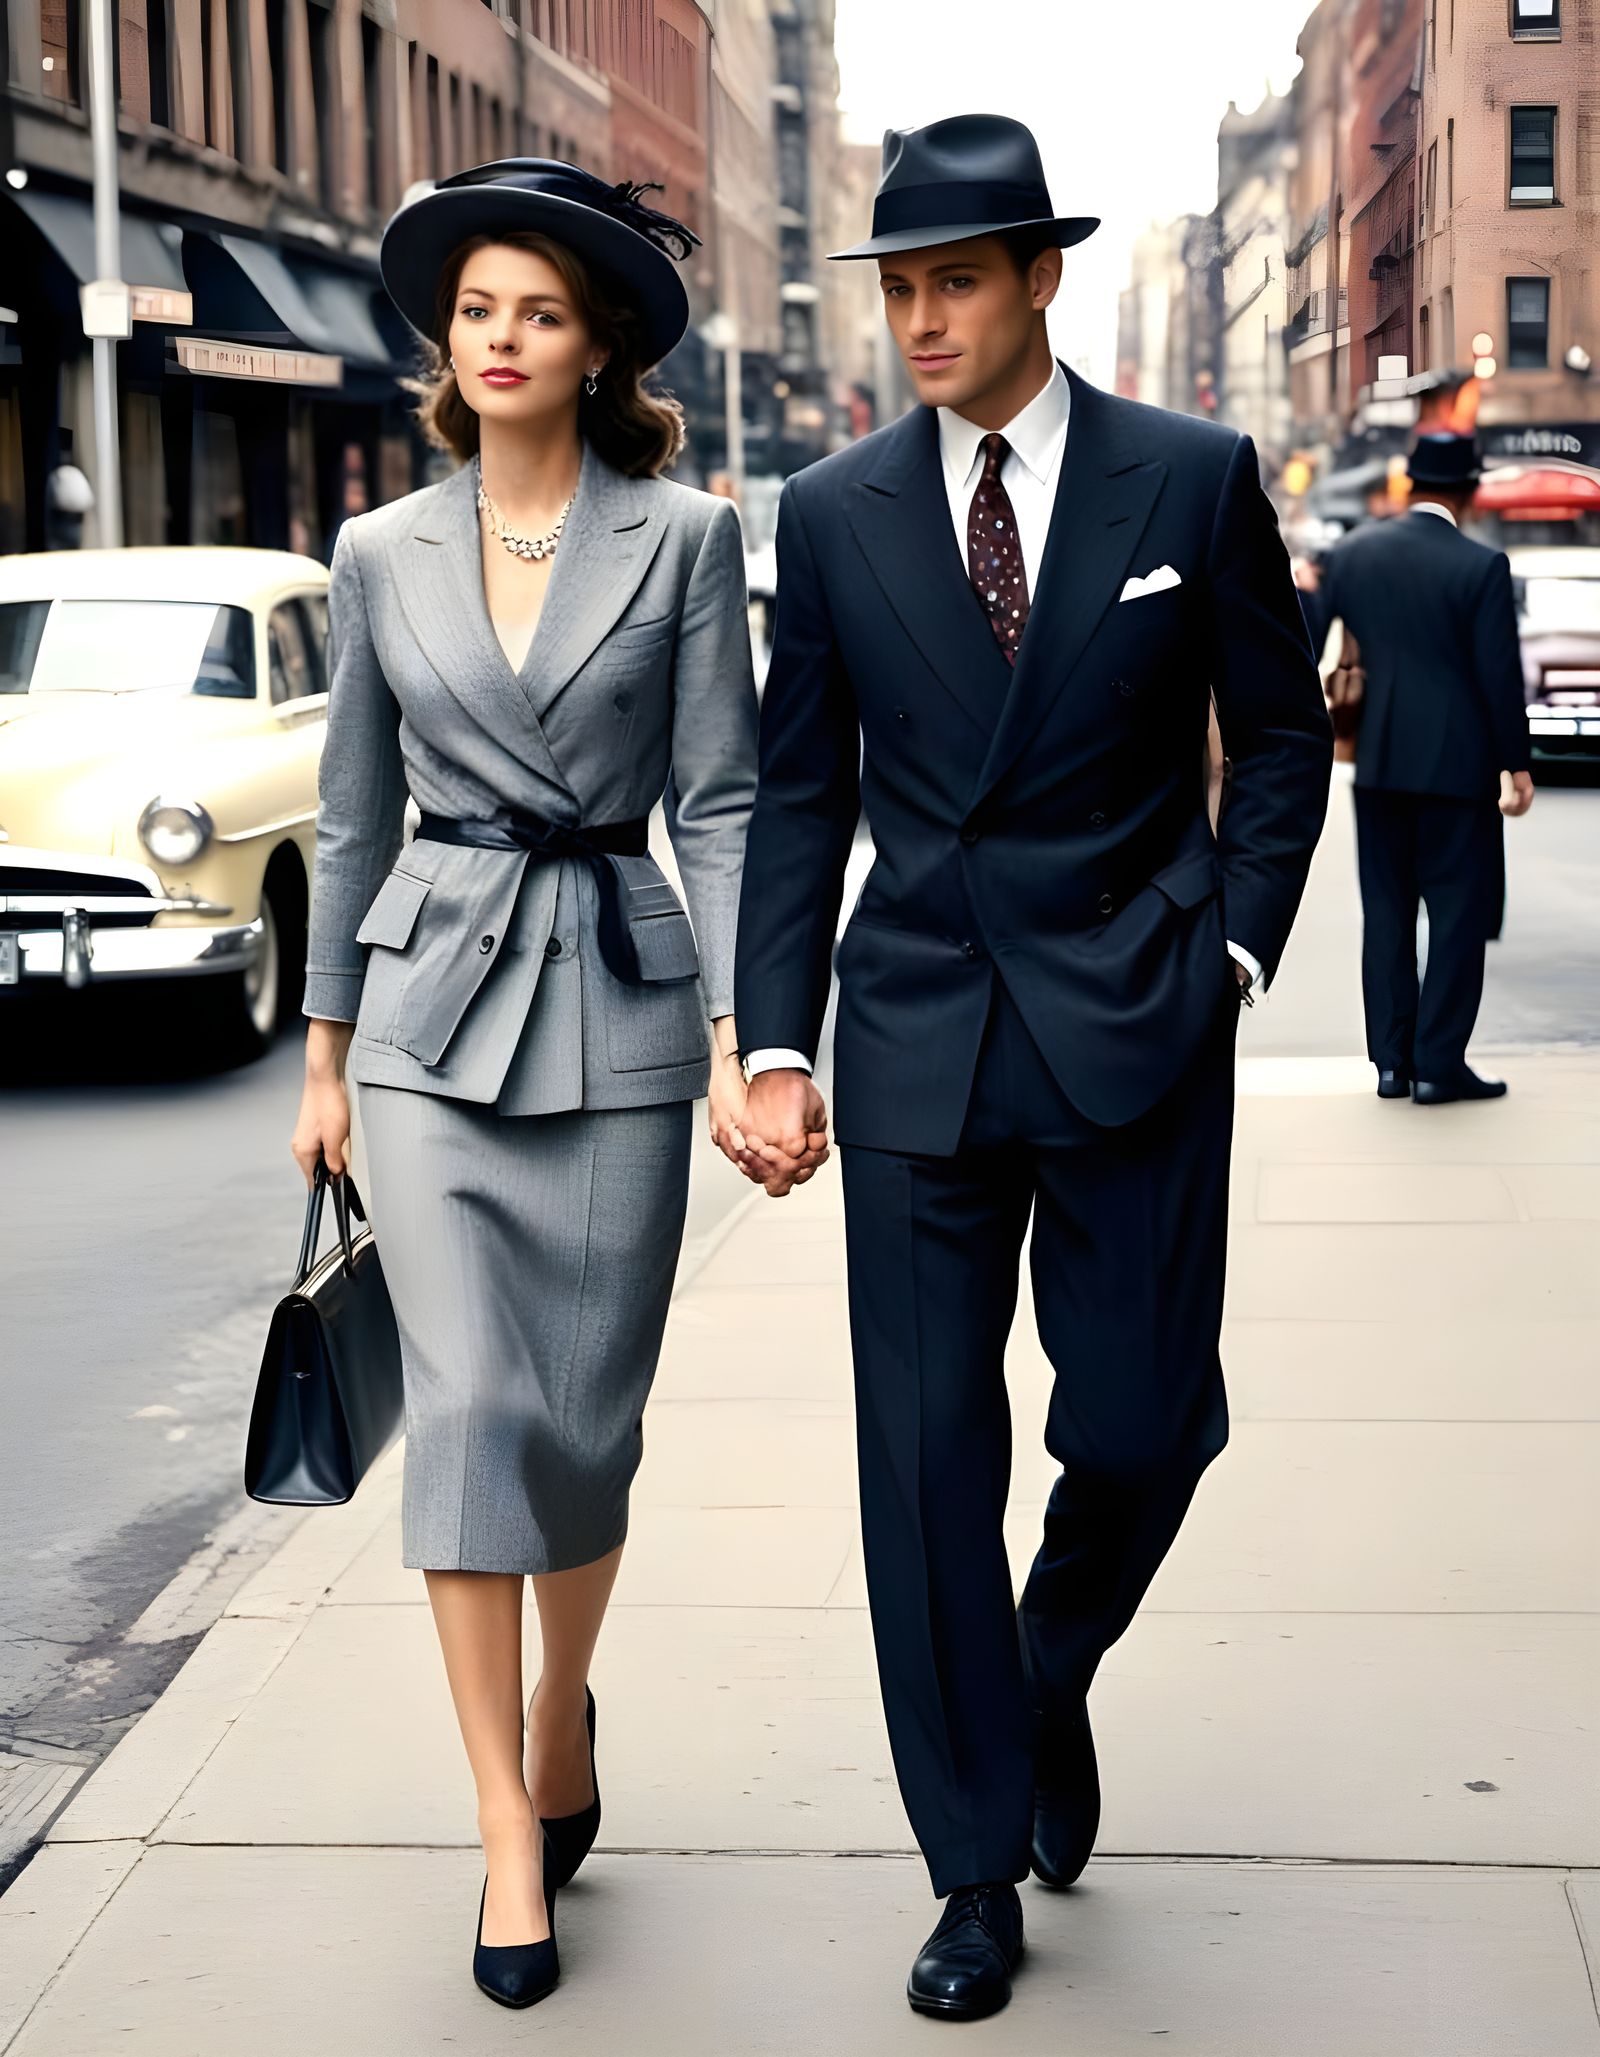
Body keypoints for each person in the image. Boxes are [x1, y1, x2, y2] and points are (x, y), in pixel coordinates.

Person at [730, 113, 1333, 2022]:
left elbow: (1283, 737)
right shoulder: (832, 517)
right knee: (921, 1473)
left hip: (1135, 1022)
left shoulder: (1193, 475)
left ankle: (1042, 1662)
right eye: (897, 287)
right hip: (914, 1039)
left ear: (1042, 280)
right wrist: (769, 1039)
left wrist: (1231, 945)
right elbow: (800, 791)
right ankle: (972, 1861)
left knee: (1150, 1422)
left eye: (954, 281)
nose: (919, 318)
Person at [289, 157, 759, 2010]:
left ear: (599, 345)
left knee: (580, 1423)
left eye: (537, 313)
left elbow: (718, 803)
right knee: (472, 1407)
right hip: (425, 1013)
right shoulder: (378, 552)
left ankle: (564, 1712)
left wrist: (746, 1031)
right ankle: (504, 1825)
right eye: (477, 309)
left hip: (625, 1002)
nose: (498, 338)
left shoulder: (690, 540)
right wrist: (325, 1057)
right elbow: (347, 814)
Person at [1322, 430, 1535, 1103]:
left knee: (1385, 911)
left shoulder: (1351, 556)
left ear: (1409, 483)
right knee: (1456, 915)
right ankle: (1439, 1064)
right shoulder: (1480, 567)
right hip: (1458, 770)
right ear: (1469, 492)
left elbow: (1306, 645)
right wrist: (1517, 767)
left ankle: (1390, 1062)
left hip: (1379, 763)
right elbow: (1500, 679)